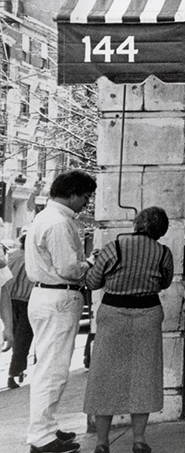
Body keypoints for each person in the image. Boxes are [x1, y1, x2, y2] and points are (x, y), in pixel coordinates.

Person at [83, 206, 174, 453]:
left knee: (105, 375)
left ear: (137, 224)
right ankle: (139, 439)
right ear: (161, 229)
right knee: (143, 375)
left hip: (113, 313)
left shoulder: (115, 247)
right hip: (148, 314)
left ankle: (102, 442)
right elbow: (165, 282)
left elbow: (92, 282)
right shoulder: (163, 252)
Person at [25, 169, 97, 453]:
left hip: (46, 296)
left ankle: (45, 428)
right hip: (59, 296)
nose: (86, 203)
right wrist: (90, 263)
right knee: (52, 371)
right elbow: (68, 268)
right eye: (85, 196)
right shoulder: (58, 223)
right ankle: (42, 437)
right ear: (73, 194)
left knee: (48, 367)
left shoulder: (44, 217)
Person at [6, 232, 36, 388]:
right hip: (27, 302)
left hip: (8, 300)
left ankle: (15, 372)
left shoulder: (12, 255)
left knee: (11, 335)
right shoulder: (34, 258)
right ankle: (14, 373)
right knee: (22, 339)